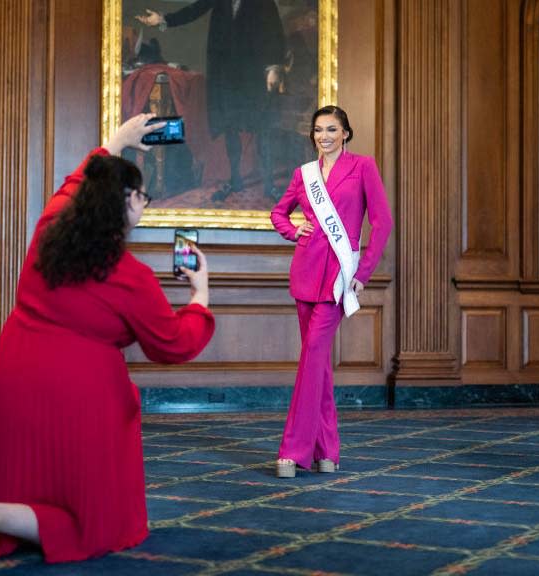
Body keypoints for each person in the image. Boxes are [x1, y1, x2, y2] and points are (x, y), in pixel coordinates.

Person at [0, 113, 216, 573]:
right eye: (143, 198)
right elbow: (171, 343)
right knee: (97, 525)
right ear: (128, 200)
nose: (145, 206)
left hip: (14, 373)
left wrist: (116, 141)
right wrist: (201, 296)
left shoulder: (49, 228)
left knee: (29, 474)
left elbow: (73, 183)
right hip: (80, 392)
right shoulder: (131, 276)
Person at [269, 105, 392, 478]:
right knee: (316, 364)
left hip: (339, 279)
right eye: (319, 130)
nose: (324, 136)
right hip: (304, 277)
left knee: (310, 362)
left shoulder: (363, 167)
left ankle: (292, 451)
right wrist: (294, 231)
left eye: (332, 130)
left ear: (346, 134)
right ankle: (328, 452)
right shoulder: (303, 174)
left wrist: (364, 272)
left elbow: (382, 223)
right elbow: (278, 214)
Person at [136, 0, 286, 200]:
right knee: (230, 127)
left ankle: (269, 185)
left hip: (254, 75)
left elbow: (274, 32)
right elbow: (195, 10)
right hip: (226, 75)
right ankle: (235, 179)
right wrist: (163, 19)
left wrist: (274, 68)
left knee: (262, 129)